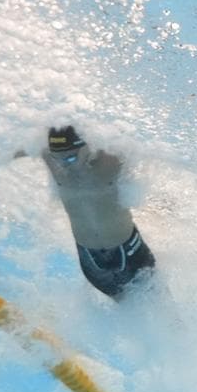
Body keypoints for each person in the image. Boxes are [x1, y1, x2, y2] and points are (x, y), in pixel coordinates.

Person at [32, 126, 156, 299]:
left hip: (130, 255)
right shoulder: (55, 165)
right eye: (57, 159)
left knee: (157, 300)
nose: (64, 165)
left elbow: (148, 144)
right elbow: (14, 148)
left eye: (70, 158)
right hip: (90, 262)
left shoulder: (109, 162)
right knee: (125, 309)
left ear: (87, 148)